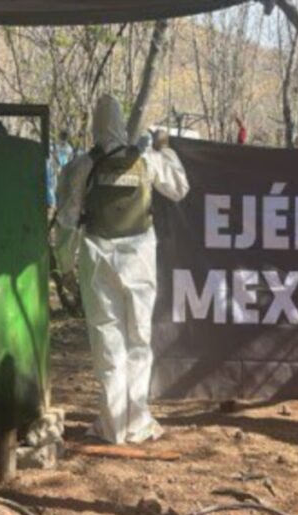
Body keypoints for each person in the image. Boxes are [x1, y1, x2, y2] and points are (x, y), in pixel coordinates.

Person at [54, 95, 190, 445]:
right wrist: (166, 149)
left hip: (98, 259)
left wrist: (64, 266)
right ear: (122, 124)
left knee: (107, 340)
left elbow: (67, 220)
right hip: (139, 257)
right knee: (139, 340)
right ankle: (138, 422)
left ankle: (112, 425)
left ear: (95, 125)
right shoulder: (144, 159)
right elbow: (179, 188)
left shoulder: (83, 166)